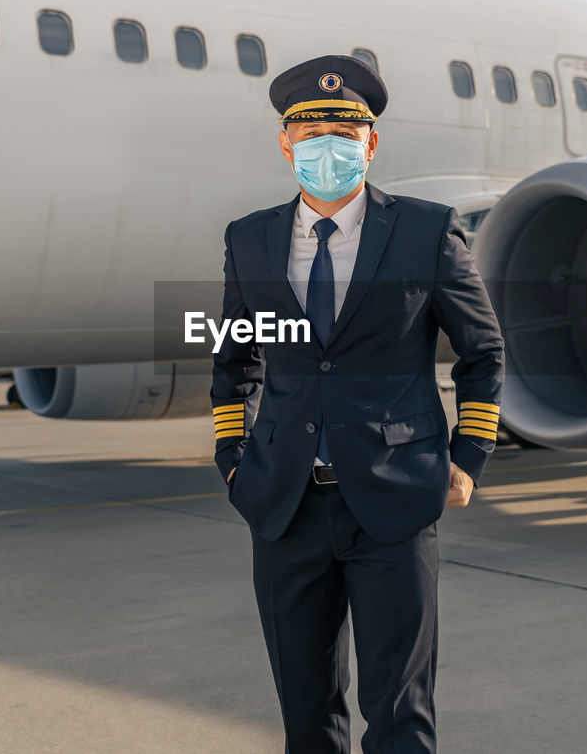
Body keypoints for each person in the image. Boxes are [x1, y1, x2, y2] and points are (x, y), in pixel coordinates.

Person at [210, 53, 504, 753]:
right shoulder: (248, 239)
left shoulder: (427, 233)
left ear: (371, 143)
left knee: (400, 712)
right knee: (305, 714)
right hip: (285, 508)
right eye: (310, 137)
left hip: (395, 504)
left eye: (344, 136)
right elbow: (232, 359)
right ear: (286, 145)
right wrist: (232, 460)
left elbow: (484, 352)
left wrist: (467, 460)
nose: (327, 150)